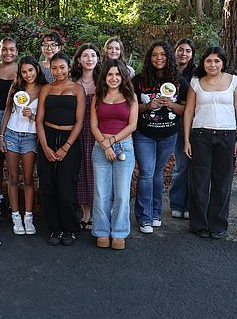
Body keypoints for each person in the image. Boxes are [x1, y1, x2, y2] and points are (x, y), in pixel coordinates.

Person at [183, 47, 237, 239]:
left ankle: (217, 225)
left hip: (227, 136)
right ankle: (199, 224)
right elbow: (189, 112)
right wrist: (186, 140)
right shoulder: (196, 82)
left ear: (223, 63)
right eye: (208, 61)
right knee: (199, 182)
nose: (212, 64)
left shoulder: (234, 81)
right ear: (203, 63)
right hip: (201, 136)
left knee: (222, 181)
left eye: (217, 61)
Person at [132, 41, 188, 234]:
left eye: (163, 54)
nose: (159, 58)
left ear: (169, 57)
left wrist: (171, 105)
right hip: (144, 134)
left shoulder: (179, 80)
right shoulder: (138, 80)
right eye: (155, 54)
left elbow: (188, 109)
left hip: (168, 135)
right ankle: (144, 217)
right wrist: (148, 106)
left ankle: (156, 213)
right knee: (146, 173)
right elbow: (130, 108)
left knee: (158, 173)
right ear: (149, 58)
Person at [36, 53, 85, 246]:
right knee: (48, 186)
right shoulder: (46, 89)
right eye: (54, 68)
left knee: (66, 186)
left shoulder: (77, 89)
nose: (58, 72)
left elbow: (80, 122)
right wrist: (45, 147)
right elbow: (39, 119)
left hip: (69, 140)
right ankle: (54, 228)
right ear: (50, 69)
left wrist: (66, 146)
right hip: (47, 137)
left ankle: (69, 229)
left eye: (62, 67)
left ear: (69, 67)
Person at [90, 59, 138, 250]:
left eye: (117, 74)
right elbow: (93, 125)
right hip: (101, 148)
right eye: (110, 74)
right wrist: (105, 145)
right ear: (104, 77)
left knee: (122, 194)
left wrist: (112, 141)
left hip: (124, 146)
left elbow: (132, 125)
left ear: (123, 76)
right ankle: (102, 231)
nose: (114, 78)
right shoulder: (98, 96)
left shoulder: (130, 96)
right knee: (101, 193)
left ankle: (119, 232)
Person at [0, 56, 47, 235]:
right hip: (11, 133)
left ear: (37, 70)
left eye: (31, 70)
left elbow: (45, 116)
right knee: (13, 177)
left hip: (30, 136)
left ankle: (28, 216)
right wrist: (1, 136)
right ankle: (16, 216)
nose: (28, 75)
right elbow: (8, 110)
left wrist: (33, 116)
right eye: (24, 71)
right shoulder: (16, 87)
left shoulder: (44, 89)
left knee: (28, 179)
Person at [71, 43, 102, 230]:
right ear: (79, 60)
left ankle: (98, 212)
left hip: (98, 130)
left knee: (97, 170)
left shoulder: (104, 80)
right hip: (76, 129)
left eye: (93, 55)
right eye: (85, 55)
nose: (89, 59)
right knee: (81, 168)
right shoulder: (72, 81)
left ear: (98, 59)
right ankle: (85, 213)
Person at [169, 38, 196, 220]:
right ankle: (177, 203)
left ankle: (190, 205)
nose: (183, 54)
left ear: (192, 54)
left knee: (195, 167)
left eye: (187, 51)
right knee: (181, 166)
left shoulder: (196, 74)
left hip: (196, 125)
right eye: (180, 50)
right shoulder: (167, 71)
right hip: (175, 126)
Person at [0, 38, 18, 218]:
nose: (7, 53)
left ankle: (14, 198)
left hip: (14, 118)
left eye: (11, 49)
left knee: (12, 161)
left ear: (17, 51)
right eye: (4, 49)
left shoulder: (21, 70)